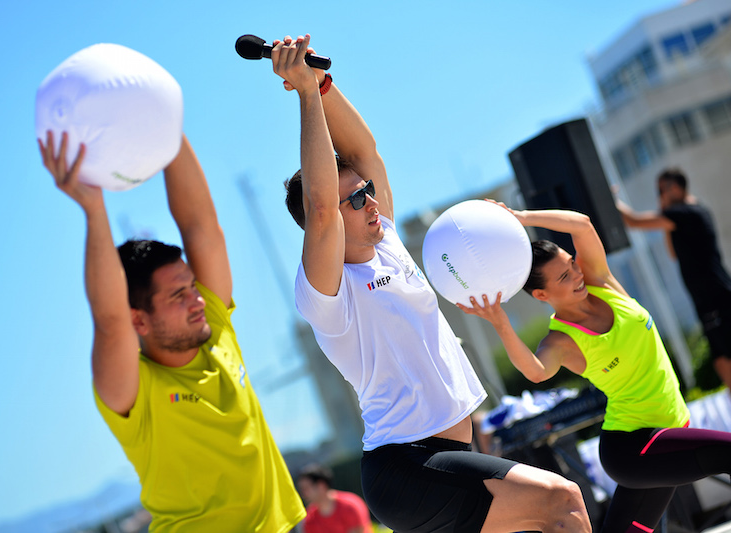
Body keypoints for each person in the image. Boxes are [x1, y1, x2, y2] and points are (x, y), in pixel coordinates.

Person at [270, 34, 591, 533]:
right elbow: (320, 205)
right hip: (407, 466)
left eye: (368, 193)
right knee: (562, 500)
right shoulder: (327, 293)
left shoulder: (388, 242)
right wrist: (305, 95)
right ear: (326, 224)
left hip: (449, 454)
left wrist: (324, 84)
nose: (371, 203)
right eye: (355, 201)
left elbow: (365, 151)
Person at [37, 129, 305, 531]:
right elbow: (109, 321)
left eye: (192, 286)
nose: (197, 299)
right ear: (138, 319)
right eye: (177, 295)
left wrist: (164, 125)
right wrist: (94, 210)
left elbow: (202, 228)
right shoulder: (134, 393)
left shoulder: (213, 329)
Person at [461, 202, 731, 532]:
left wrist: (521, 218)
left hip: (670, 428)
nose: (576, 274)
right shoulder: (561, 341)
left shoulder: (600, 282)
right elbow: (535, 371)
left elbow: (583, 225)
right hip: (634, 446)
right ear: (542, 294)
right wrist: (501, 323)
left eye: (572, 264)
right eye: (564, 275)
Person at [615, 168, 731, 391]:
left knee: (725, 356)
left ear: (675, 188)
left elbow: (633, 221)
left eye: (661, 190)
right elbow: (672, 253)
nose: (659, 195)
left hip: (715, 296)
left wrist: (611, 199)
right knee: (720, 357)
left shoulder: (686, 213)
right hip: (706, 298)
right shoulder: (681, 217)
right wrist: (664, 209)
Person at [298, 463, 374, 533]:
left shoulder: (350, 506)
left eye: (306, 488)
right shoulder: (309, 518)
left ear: (321, 486)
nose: (303, 494)